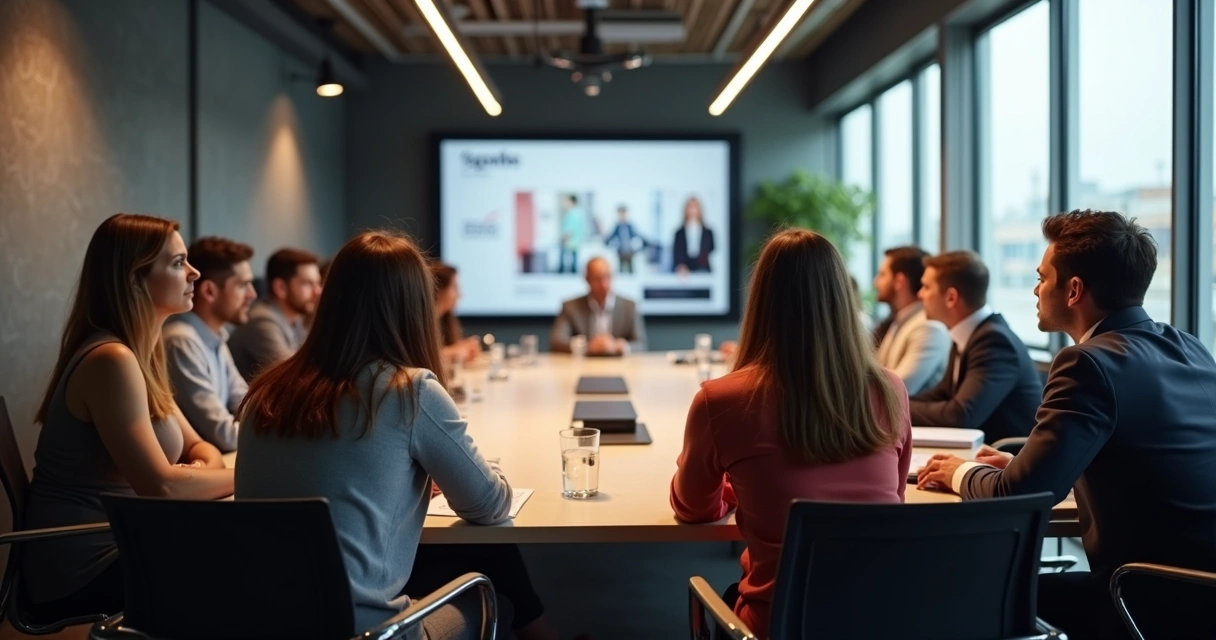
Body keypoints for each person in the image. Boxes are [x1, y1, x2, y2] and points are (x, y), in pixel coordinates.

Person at [235, 231, 558, 640]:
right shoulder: (410, 390)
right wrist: (475, 468)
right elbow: (491, 506)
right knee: (495, 598)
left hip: (256, 623)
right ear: (415, 307)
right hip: (370, 632)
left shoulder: (267, 388)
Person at [917, 211, 1216, 640]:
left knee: (966, 592)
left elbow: (1021, 494)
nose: (1036, 289)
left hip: (1148, 596)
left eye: (1042, 277)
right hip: (1201, 589)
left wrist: (957, 472)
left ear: (1074, 290)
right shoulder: (1188, 346)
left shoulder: (1088, 362)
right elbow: (1147, 464)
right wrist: (1022, 463)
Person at [670, 229, 911, 640]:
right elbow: (894, 499)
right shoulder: (890, 388)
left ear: (760, 300)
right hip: (882, 620)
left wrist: (737, 485)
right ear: (841, 299)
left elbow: (693, 508)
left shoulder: (721, 399)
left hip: (779, 625)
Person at [23, 214, 234, 621]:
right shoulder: (112, 360)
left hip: (127, 540)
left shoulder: (140, 354)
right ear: (134, 279)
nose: (194, 273)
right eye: (177, 263)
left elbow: (197, 445)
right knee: (250, 570)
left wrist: (199, 469)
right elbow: (162, 487)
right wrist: (249, 476)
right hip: (85, 564)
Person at [909, 251, 1040, 443]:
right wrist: (893, 403)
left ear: (951, 297)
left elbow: (961, 416)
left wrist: (896, 409)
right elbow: (943, 393)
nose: (920, 295)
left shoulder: (994, 341)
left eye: (926, 287)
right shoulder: (968, 332)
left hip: (1004, 458)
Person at [163, 237, 256, 452]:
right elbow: (224, 435)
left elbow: (248, 405)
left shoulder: (215, 336)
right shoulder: (181, 341)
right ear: (209, 292)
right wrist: (279, 433)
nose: (253, 294)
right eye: (243, 285)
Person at [228, 248, 321, 381]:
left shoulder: (295, 320)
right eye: (308, 284)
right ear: (280, 288)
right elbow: (295, 378)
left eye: (318, 283)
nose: (318, 291)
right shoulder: (262, 321)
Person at [873, 246, 950, 395]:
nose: (875, 282)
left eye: (882, 275)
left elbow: (894, 391)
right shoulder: (899, 321)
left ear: (899, 281)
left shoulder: (928, 328)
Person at [550, 257, 647, 355]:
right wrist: (587, 346)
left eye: (608, 277)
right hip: (582, 365)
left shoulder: (629, 307)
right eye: (598, 279)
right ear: (587, 279)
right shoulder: (571, 307)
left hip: (620, 365)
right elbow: (556, 342)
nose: (604, 284)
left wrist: (619, 346)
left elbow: (641, 344)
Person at [431, 262, 481, 364]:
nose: (460, 294)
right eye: (455, 287)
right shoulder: (421, 322)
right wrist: (455, 352)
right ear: (440, 289)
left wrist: (461, 347)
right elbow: (421, 358)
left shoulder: (444, 320)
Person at [672, 196, 715, 274]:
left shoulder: (708, 232)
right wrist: (681, 266)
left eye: (695, 207)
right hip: (685, 270)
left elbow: (712, 248)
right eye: (690, 207)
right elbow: (676, 252)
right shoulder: (679, 233)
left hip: (703, 268)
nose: (692, 210)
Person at [604, 205, 645, 274]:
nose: (622, 215)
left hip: (629, 251)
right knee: (621, 271)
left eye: (624, 213)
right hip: (621, 252)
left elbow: (637, 235)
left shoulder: (630, 226)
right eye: (621, 214)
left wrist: (643, 243)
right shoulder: (617, 226)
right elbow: (611, 236)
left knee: (631, 271)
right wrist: (606, 242)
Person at [557, 194, 585, 274]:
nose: (565, 203)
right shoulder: (575, 212)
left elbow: (571, 228)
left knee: (570, 258)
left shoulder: (574, 213)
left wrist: (564, 237)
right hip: (572, 240)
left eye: (567, 201)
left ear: (572, 202)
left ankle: (564, 272)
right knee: (573, 258)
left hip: (570, 240)